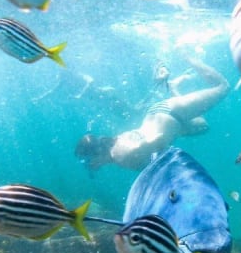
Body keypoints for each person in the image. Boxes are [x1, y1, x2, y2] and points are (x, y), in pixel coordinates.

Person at [76, 56, 229, 170]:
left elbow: (156, 140)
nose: (89, 166)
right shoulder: (114, 145)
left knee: (222, 87)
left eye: (86, 161)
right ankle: (173, 87)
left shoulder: (121, 156)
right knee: (203, 126)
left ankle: (185, 53)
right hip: (160, 116)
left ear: (94, 156)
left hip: (172, 113)